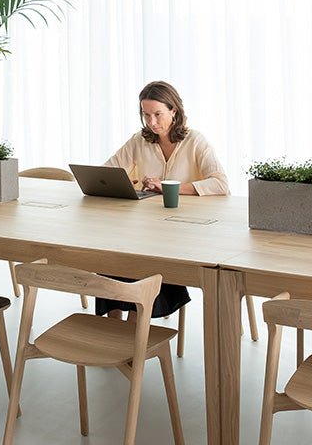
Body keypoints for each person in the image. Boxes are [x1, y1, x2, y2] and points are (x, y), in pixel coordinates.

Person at [96, 80, 229, 318]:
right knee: (113, 254)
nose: (152, 122)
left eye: (158, 114)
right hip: (146, 229)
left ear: (174, 111)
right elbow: (107, 172)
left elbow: (220, 184)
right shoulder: (140, 140)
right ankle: (113, 328)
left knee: (143, 259)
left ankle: (136, 327)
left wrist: (169, 187)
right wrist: (129, 182)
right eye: (146, 115)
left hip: (185, 232)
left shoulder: (195, 141)